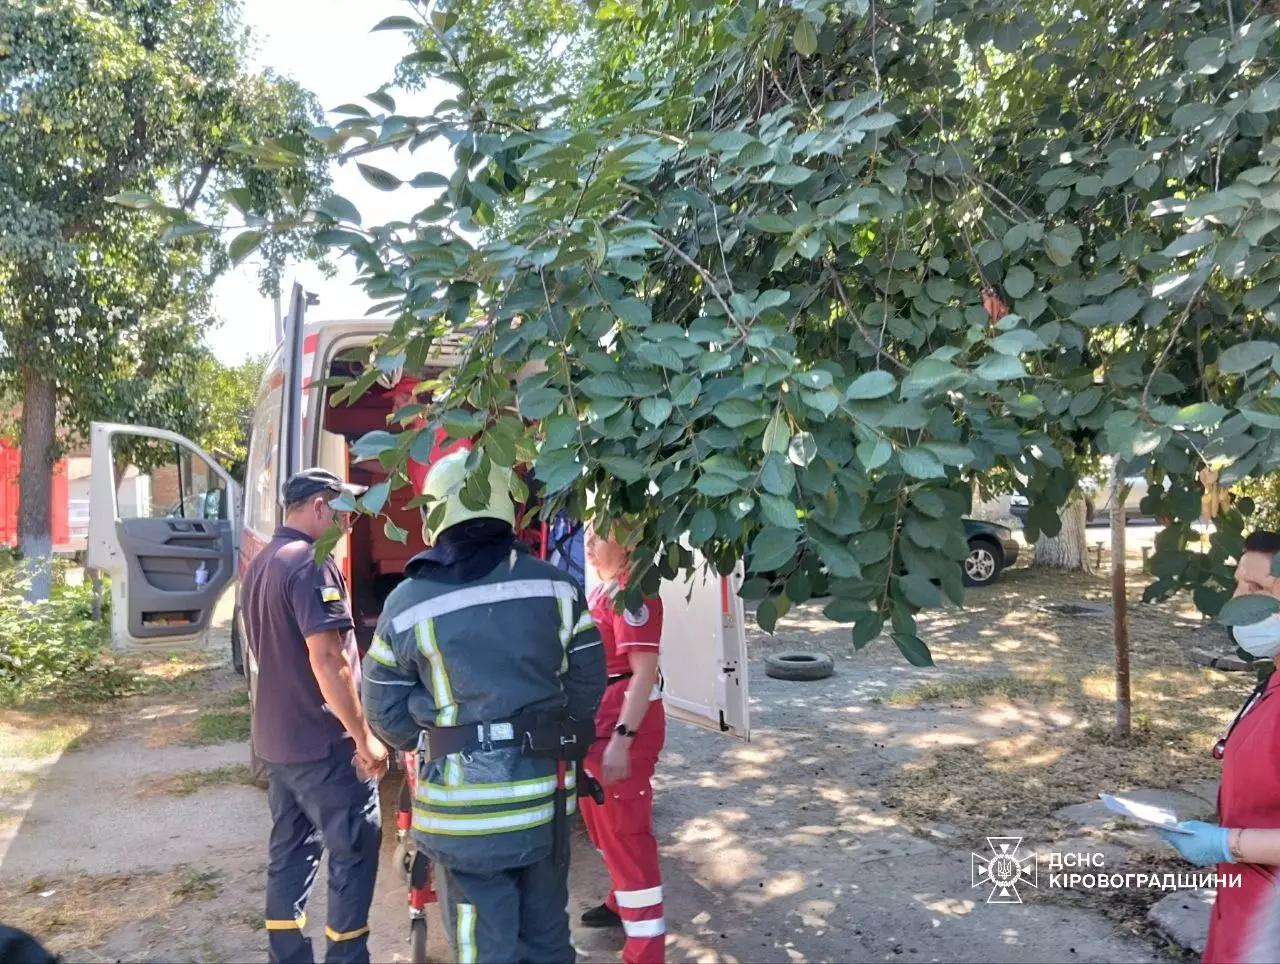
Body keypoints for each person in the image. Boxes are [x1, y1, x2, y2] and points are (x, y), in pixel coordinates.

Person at [362, 446, 605, 963]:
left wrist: (433, 742)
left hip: (462, 816)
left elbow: (383, 709)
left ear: (435, 513)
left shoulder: (407, 603)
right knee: (547, 940)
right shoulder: (558, 588)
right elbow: (588, 682)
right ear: (507, 508)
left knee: (482, 948)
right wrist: (554, 731)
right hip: (544, 804)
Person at [240, 468, 388, 964]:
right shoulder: (310, 563)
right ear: (321, 506)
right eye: (344, 509)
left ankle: (288, 956)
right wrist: (363, 736)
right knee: (353, 852)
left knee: (290, 854)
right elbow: (328, 660)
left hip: (278, 743)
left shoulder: (263, 563)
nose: (349, 521)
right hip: (323, 745)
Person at [1157, 529, 1280, 964]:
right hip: (1242, 908)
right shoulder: (1271, 681)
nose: (1239, 601)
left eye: (1259, 589)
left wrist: (1229, 844)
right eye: (1238, 584)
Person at [578, 523, 667, 964]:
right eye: (588, 535)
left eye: (599, 537)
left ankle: (645, 951)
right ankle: (620, 899)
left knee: (626, 835)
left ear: (628, 542)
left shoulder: (635, 594)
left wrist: (622, 742)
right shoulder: (606, 589)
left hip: (620, 731)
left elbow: (643, 672)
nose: (589, 545)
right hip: (599, 727)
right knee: (602, 826)